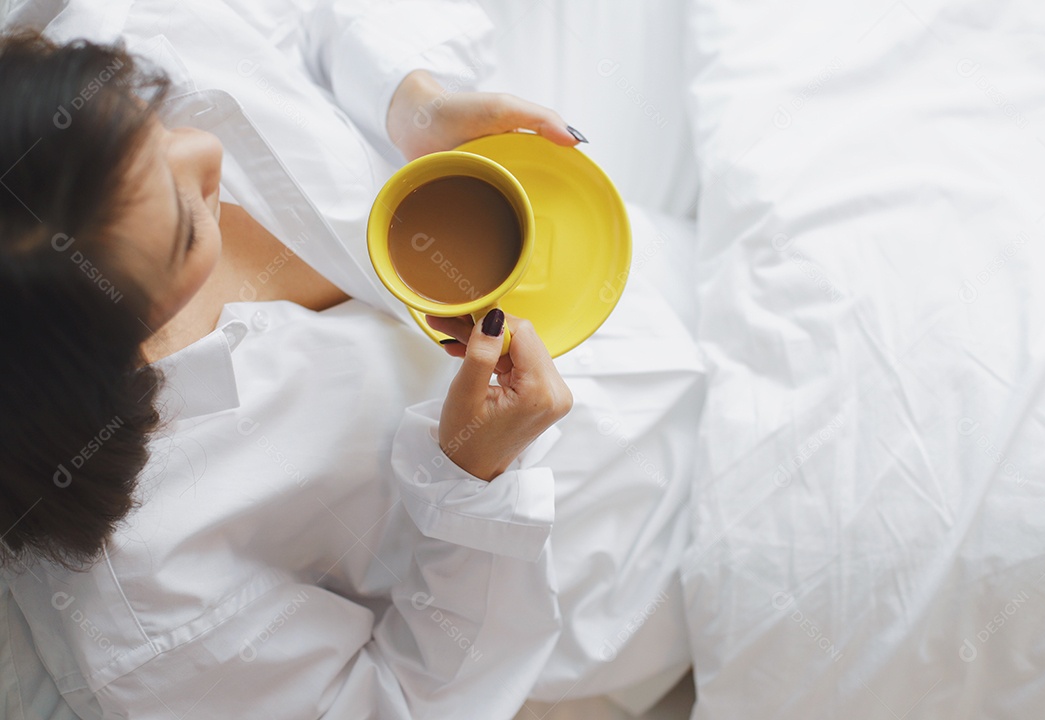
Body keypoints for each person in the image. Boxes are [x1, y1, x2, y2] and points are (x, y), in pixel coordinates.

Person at [0, 1, 705, 718]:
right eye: (187, 228)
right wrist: (473, 485)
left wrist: (410, 100)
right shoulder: (149, 613)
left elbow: (311, 15)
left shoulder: (93, 44)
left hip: (665, 272)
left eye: (141, 113)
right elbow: (399, 702)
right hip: (646, 552)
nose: (205, 148)